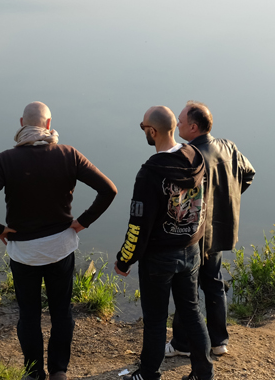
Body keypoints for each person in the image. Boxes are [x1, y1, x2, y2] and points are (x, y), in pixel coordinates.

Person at [0, 101, 117, 380]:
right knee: (62, 312)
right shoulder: (68, 154)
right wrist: (82, 222)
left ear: (22, 123)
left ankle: (33, 372)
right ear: (49, 125)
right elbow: (108, 190)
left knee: (29, 314)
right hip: (60, 247)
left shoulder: (5, 160)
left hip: (23, 252)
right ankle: (59, 371)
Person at [115, 105, 214, 380]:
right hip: (191, 249)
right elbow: (204, 204)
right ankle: (203, 373)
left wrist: (125, 259)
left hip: (159, 257)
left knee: (156, 320)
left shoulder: (149, 173)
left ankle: (148, 374)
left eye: (143, 126)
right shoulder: (196, 156)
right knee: (192, 312)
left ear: (153, 131)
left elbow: (138, 225)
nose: (144, 130)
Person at [166, 101, 255, 358]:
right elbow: (248, 174)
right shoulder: (228, 147)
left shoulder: (187, 155)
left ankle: (182, 344)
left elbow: (177, 201)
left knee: (187, 289)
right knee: (214, 284)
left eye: (181, 121)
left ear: (193, 127)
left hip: (194, 236)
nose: (177, 124)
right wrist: (229, 201)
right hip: (219, 231)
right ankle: (219, 342)